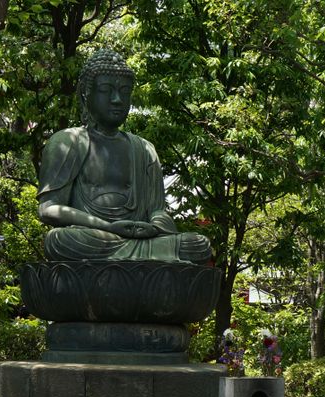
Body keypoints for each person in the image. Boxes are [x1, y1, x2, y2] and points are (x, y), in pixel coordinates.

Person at [36, 49, 212, 264]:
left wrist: (153, 226)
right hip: (94, 237)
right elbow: (49, 208)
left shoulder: (144, 149)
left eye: (125, 91)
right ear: (86, 93)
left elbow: (157, 210)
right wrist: (107, 227)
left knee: (198, 244)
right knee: (59, 240)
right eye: (106, 90)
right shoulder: (68, 141)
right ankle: (146, 262)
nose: (117, 99)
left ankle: (138, 259)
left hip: (140, 240)